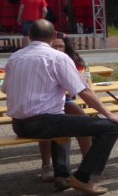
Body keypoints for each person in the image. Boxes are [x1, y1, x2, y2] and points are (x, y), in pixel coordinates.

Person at [4, 20, 118, 196]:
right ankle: (82, 178)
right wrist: (109, 114)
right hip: (43, 122)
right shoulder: (58, 58)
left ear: (29, 36)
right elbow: (83, 90)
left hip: (19, 125)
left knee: (61, 121)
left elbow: (5, 89)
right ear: (54, 35)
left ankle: (62, 176)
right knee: (110, 127)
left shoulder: (14, 58)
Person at [36, 35, 93, 181]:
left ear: (66, 47)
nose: (57, 49)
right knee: (46, 129)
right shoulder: (43, 60)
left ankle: (88, 162)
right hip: (46, 103)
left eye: (60, 46)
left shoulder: (72, 61)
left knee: (83, 121)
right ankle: (46, 166)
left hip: (66, 100)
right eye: (54, 46)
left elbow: (83, 83)